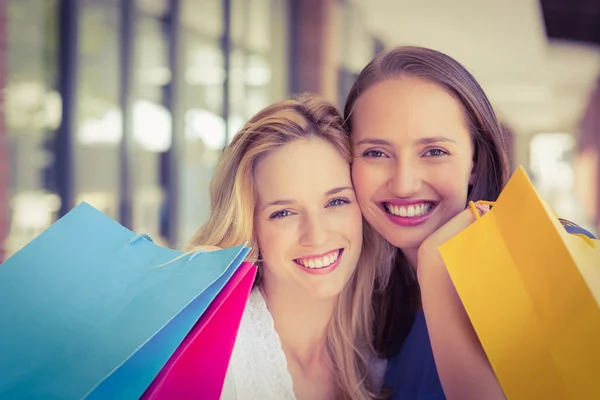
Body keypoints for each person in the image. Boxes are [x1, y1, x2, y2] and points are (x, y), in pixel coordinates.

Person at [343, 45, 596, 400]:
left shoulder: (550, 256)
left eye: (434, 151)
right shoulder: (364, 298)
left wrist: (435, 266)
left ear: (475, 160)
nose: (403, 184)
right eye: (376, 153)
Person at [188, 94, 395, 400]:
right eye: (283, 212)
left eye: (336, 201)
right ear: (251, 229)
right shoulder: (211, 358)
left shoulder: (375, 359)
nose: (316, 235)